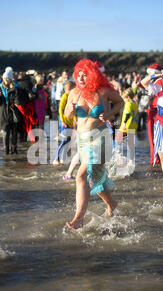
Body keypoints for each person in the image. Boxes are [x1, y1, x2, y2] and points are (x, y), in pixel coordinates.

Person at [64, 59, 124, 229]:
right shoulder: (74, 93)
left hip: (100, 137)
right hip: (83, 140)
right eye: (79, 75)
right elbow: (68, 114)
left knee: (82, 174)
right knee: (94, 178)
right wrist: (69, 111)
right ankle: (112, 203)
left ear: (92, 75)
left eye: (85, 74)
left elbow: (121, 102)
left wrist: (109, 114)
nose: (81, 78)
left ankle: (78, 218)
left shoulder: (103, 91)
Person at [0, 70, 23, 154]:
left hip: (13, 112)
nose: (6, 79)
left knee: (14, 132)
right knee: (5, 133)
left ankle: (14, 150)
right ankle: (6, 150)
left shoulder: (15, 88)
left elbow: (18, 101)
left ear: (11, 79)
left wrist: (16, 101)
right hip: (3, 113)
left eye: (8, 78)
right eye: (5, 77)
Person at [54, 80, 76, 165]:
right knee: (64, 141)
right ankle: (56, 158)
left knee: (68, 142)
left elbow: (73, 110)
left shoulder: (72, 97)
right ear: (68, 89)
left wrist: (75, 120)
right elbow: (60, 109)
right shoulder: (64, 96)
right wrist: (62, 121)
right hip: (64, 122)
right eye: (73, 89)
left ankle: (63, 159)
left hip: (70, 122)